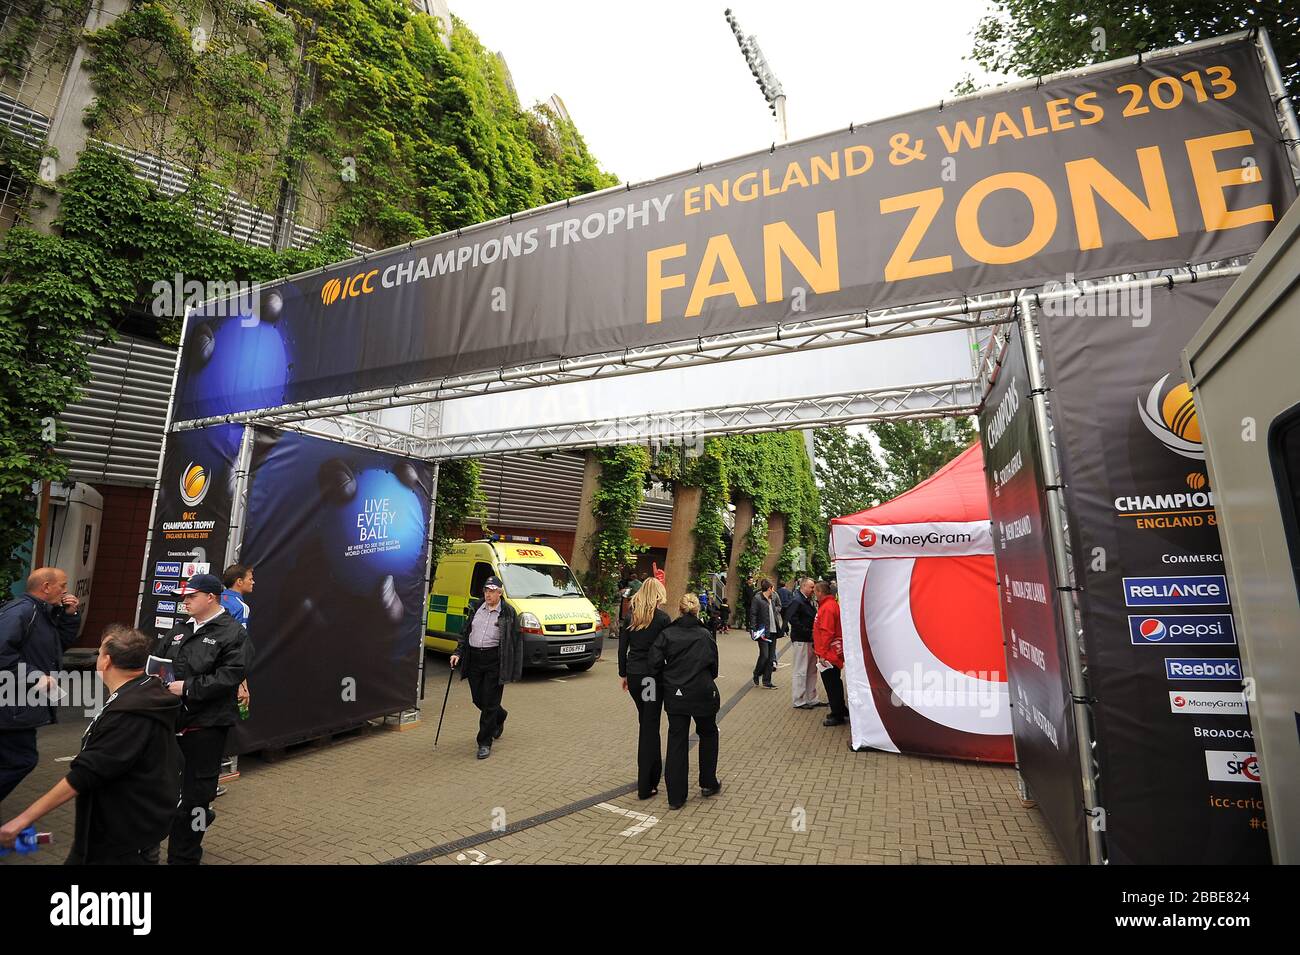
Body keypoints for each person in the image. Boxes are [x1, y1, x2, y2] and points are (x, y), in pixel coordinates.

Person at [0, 625, 182, 864]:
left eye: (99, 652)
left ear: (106, 661)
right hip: (127, 822)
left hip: (123, 833)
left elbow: (87, 773)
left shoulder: (129, 713)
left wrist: (21, 820)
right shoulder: (144, 690)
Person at [153, 573, 252, 864]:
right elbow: (158, 661)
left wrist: (187, 687)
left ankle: (185, 856)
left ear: (211, 597)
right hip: (171, 722)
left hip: (206, 726)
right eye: (183, 597)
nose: (184, 602)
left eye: (190, 596)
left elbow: (231, 675)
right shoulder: (179, 629)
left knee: (197, 797)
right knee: (165, 791)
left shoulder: (233, 633)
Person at [0, 568, 81, 812]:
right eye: (62, 586)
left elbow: (58, 645)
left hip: (20, 705)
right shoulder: (22, 612)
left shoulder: (43, 612)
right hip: (11, 706)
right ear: (46, 587)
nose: (66, 591)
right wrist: (35, 676)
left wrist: (70, 615)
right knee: (21, 760)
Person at [650, 593, 721, 809]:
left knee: (677, 740)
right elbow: (714, 667)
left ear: (679, 610)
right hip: (702, 692)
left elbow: (653, 663)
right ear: (698, 610)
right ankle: (708, 782)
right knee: (708, 733)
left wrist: (667, 679)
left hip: (676, 693)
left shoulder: (667, 634)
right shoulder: (705, 635)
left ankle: (676, 797)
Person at [449, 575, 523, 760]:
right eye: (486, 590)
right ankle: (500, 715)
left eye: (492, 591)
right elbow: (465, 632)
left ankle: (484, 742)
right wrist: (458, 652)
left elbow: (515, 640)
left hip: (494, 659)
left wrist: (513, 665)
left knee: (489, 702)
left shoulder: (508, 612)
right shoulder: (476, 607)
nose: (488, 594)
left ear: (499, 593)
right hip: (474, 658)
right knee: (478, 699)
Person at [617, 577, 671, 800]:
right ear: (657, 595)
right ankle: (646, 783)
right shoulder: (662, 619)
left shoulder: (631, 616)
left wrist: (624, 674)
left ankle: (652, 775)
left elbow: (622, 649)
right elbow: (669, 647)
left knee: (646, 722)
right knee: (649, 727)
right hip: (650, 678)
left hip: (635, 676)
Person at [219, 563, 253, 724]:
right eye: (250, 579)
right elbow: (238, 646)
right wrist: (242, 685)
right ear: (239, 581)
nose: (253, 582)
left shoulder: (214, 599)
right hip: (227, 672)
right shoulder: (241, 607)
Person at [813, 581, 848, 727]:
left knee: (831, 683)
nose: (814, 593)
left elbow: (827, 632)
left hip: (829, 653)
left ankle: (837, 714)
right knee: (835, 682)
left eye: (815, 591)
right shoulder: (831, 605)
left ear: (821, 592)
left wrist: (822, 653)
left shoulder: (827, 608)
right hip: (833, 651)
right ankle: (841, 709)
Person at [787, 577, 823, 709]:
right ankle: (799, 699)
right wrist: (808, 631)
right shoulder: (798, 601)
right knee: (801, 670)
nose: (813, 590)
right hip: (802, 639)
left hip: (808, 639)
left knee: (811, 670)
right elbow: (793, 619)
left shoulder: (804, 601)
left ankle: (811, 697)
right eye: (811, 587)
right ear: (803, 586)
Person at [749, 579, 782, 688]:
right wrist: (753, 630)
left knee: (771, 657)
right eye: (773, 588)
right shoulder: (757, 599)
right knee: (764, 655)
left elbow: (776, 611)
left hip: (773, 631)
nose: (774, 590)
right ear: (769, 588)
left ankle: (767, 681)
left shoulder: (772, 599)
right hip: (762, 631)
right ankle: (756, 673)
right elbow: (753, 614)